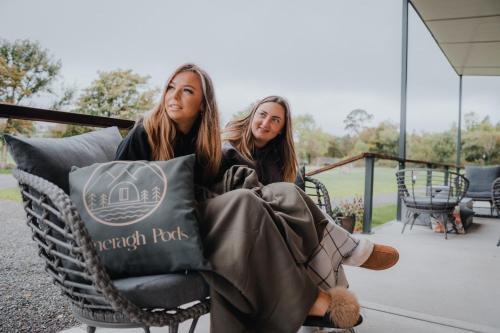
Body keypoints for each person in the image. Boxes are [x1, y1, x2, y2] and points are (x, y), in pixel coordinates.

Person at [117, 64, 362, 332]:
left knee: (285, 193)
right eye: (170, 89)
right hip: (156, 231)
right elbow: (118, 197)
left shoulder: (201, 140)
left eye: (186, 91)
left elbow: (208, 185)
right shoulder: (145, 133)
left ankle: (339, 247)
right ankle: (310, 297)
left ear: (202, 104)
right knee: (245, 203)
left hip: (190, 218)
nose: (173, 97)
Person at [221, 95, 399, 274]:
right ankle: (351, 249)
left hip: (267, 218)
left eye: (275, 120)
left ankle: (337, 290)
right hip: (237, 218)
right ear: (252, 115)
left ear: (281, 130)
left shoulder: (275, 157)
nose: (266, 123)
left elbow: (274, 195)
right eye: (262, 114)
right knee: (293, 203)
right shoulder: (229, 147)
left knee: (312, 240)